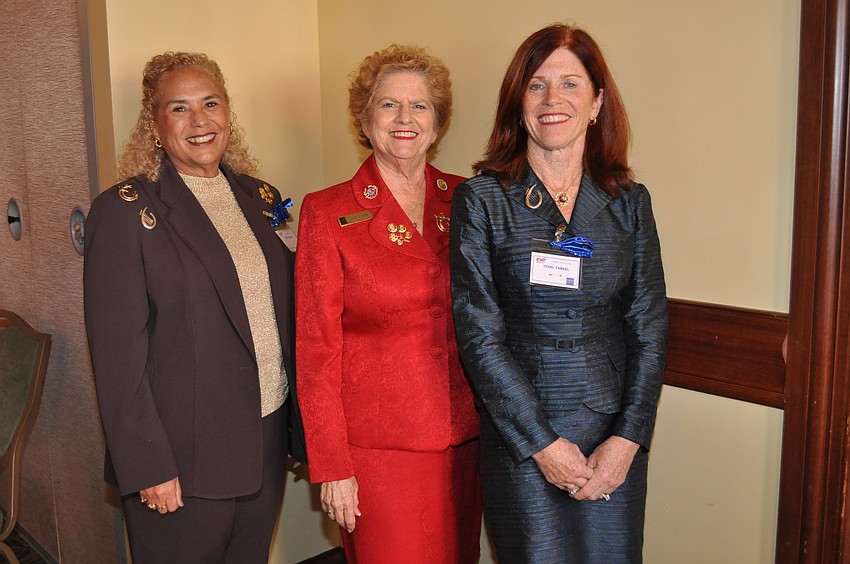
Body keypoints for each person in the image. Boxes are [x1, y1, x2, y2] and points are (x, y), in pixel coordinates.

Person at [450, 24, 667, 562]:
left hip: (611, 435)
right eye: (537, 85)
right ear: (517, 102)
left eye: (571, 84)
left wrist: (628, 440)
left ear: (596, 103)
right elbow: (479, 334)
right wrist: (543, 444)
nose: (553, 100)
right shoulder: (481, 200)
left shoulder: (628, 202)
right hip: (522, 439)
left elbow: (649, 324)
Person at [84, 52, 305, 564]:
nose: (200, 120)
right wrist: (149, 466)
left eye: (210, 103)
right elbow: (118, 361)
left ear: (228, 111)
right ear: (154, 123)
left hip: (263, 437)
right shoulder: (123, 212)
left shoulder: (259, 197)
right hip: (181, 457)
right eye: (179, 108)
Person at [295, 45, 481, 563]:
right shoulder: (328, 212)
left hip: (467, 442)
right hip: (379, 456)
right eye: (388, 105)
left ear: (438, 122)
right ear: (364, 117)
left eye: (420, 106)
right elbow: (316, 351)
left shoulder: (469, 200)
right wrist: (332, 466)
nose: (405, 119)